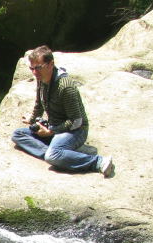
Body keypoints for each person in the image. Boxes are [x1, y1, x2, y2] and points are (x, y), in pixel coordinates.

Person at [11, 45, 114, 177]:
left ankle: (97, 162)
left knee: (52, 155)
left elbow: (76, 121)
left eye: (38, 68)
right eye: (32, 68)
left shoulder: (65, 87)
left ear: (50, 64)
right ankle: (63, 155)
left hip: (76, 131)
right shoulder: (41, 78)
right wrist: (32, 118)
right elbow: (39, 102)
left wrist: (51, 132)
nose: (34, 72)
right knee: (18, 134)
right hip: (55, 126)